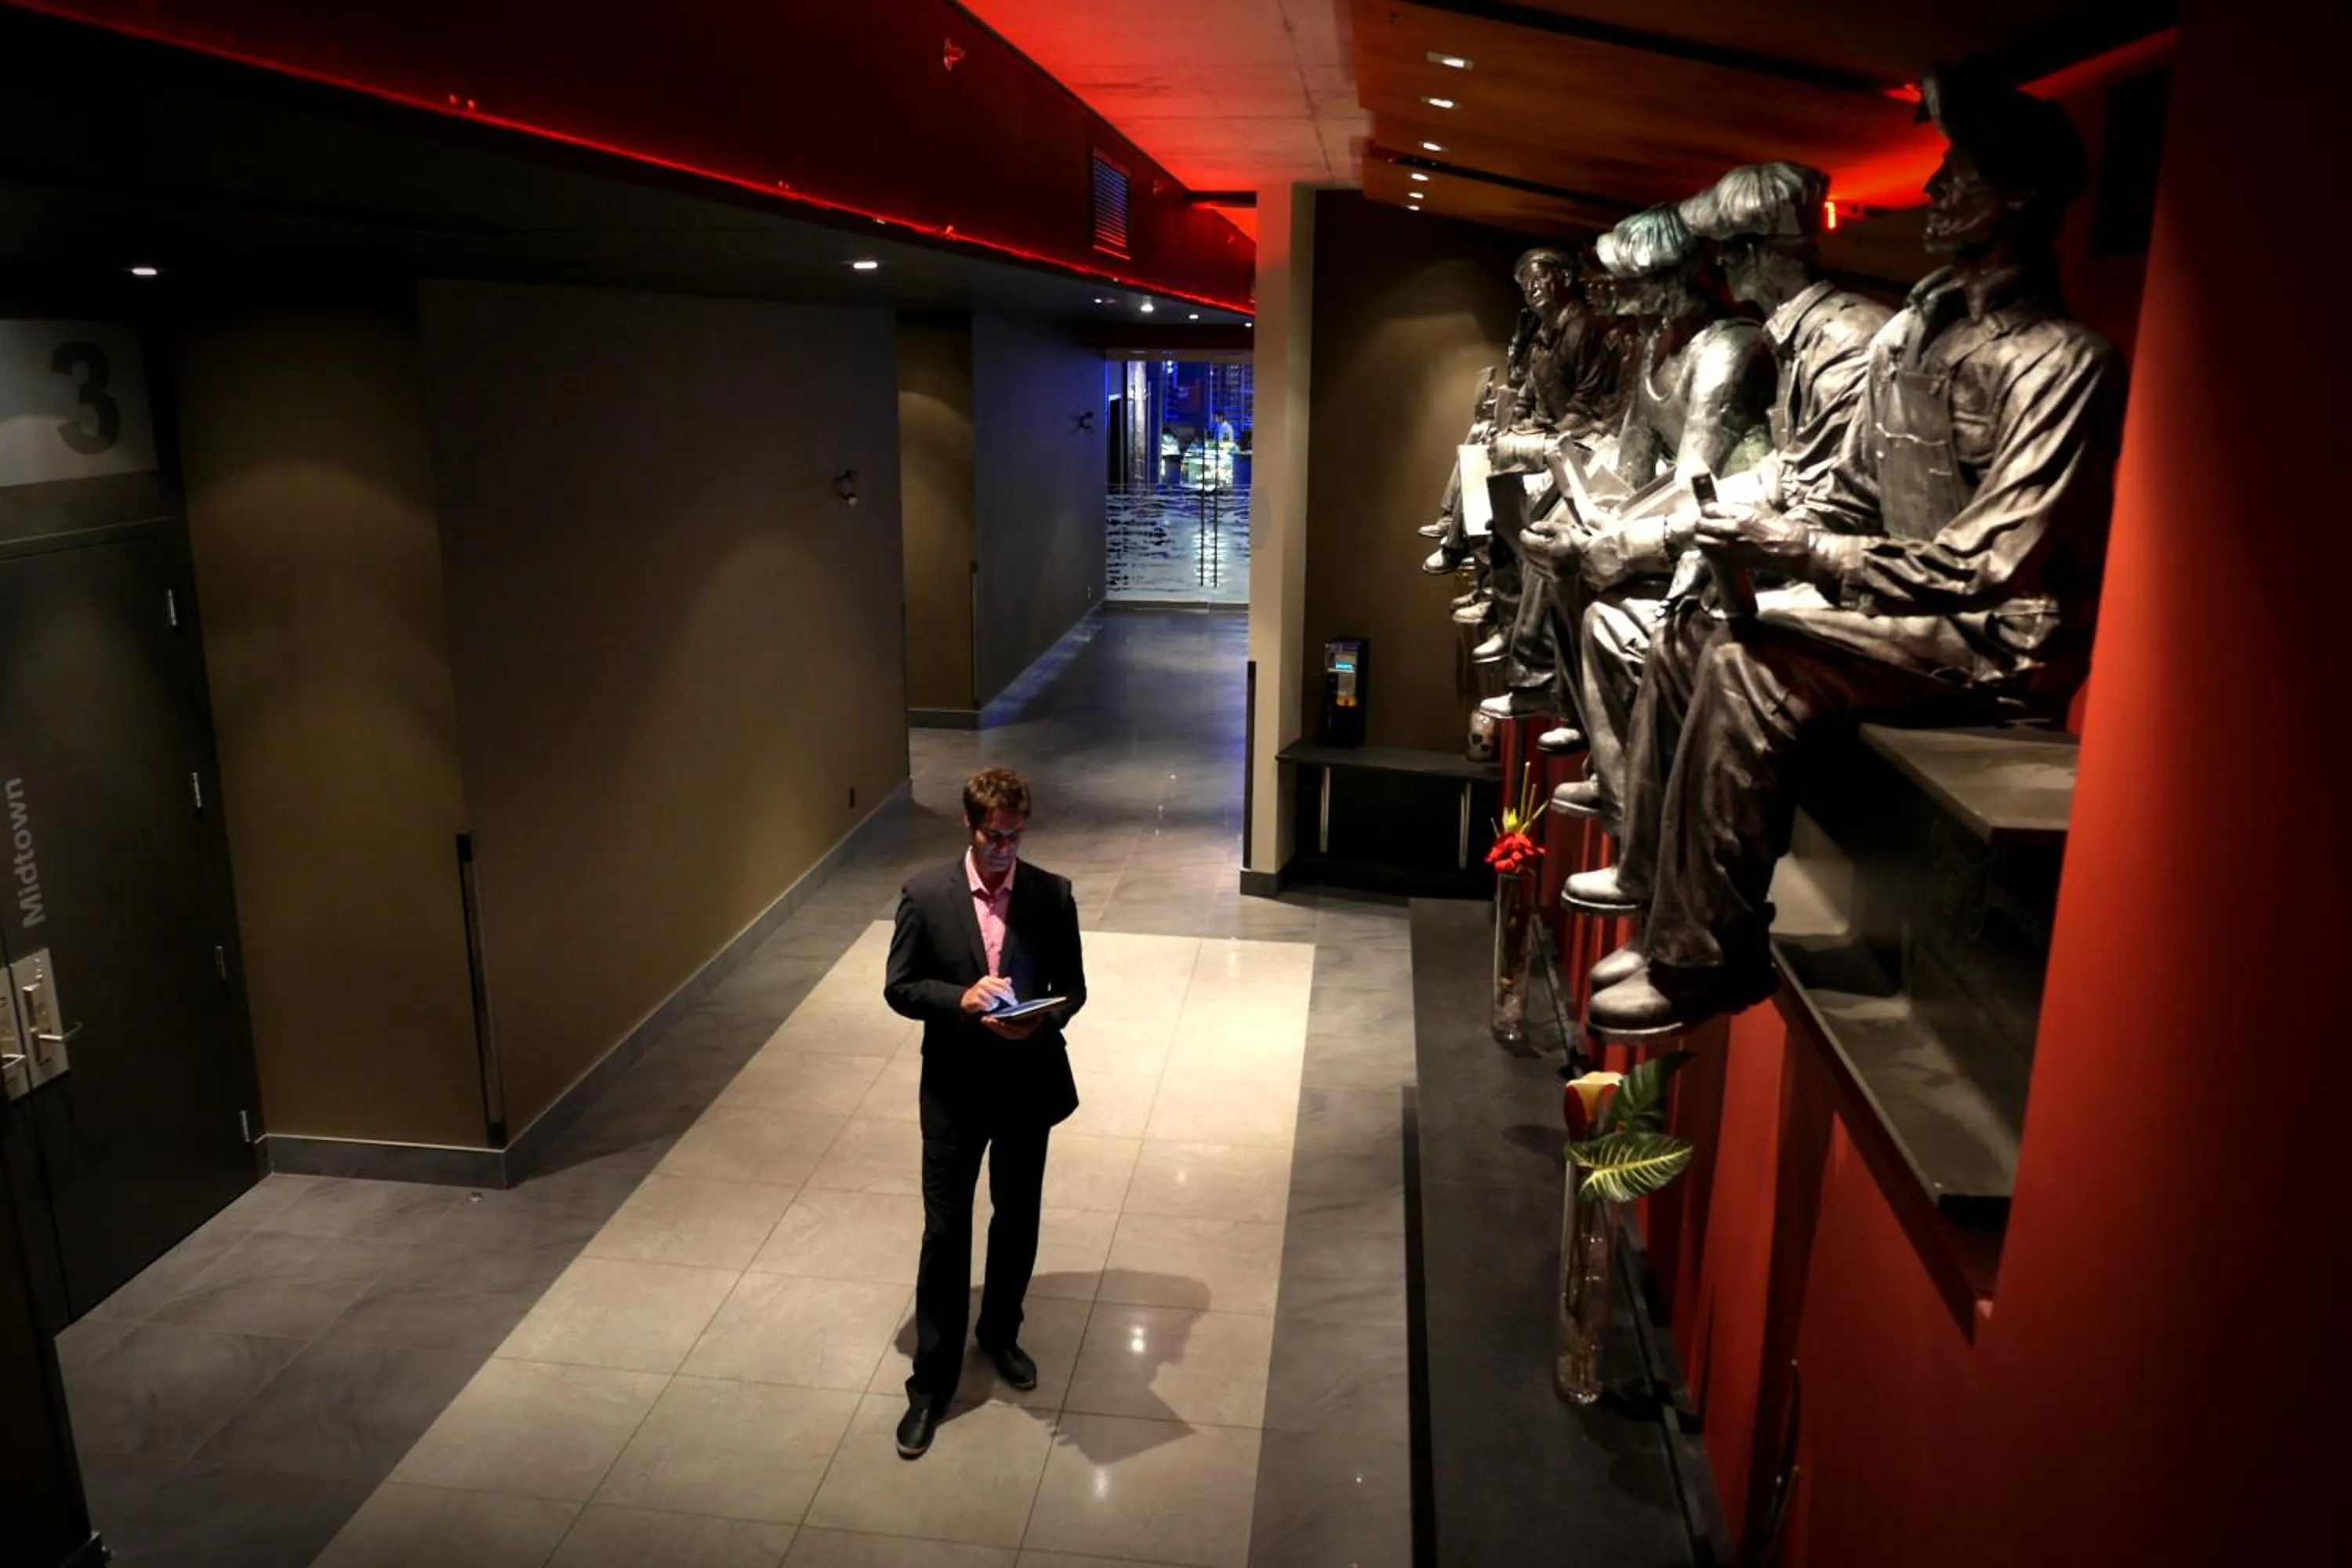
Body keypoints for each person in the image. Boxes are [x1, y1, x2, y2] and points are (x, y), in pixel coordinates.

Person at [1570, 64, 2126, 1037]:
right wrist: (1747, 536)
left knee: (1746, 666)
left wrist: (1804, 551)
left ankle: (1708, 956)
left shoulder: (2062, 362)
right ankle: (1658, 899)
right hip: (1901, 607)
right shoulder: (1913, 336)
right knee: (1691, 628)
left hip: (1994, 641)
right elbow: (1849, 491)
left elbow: (1988, 566)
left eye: (1963, 172)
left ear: (2021, 196)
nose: (1936, 187)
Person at [882, 768, 1087, 1457]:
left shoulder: (1052, 895)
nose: (1006, 850)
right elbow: (901, 988)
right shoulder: (925, 895)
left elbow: (1073, 989)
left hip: (1026, 1083)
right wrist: (961, 1000)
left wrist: (1040, 1017)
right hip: (954, 1090)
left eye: (1016, 836)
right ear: (970, 827)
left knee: (1018, 1215)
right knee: (946, 1233)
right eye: (995, 837)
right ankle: (931, 1383)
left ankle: (1000, 1333)